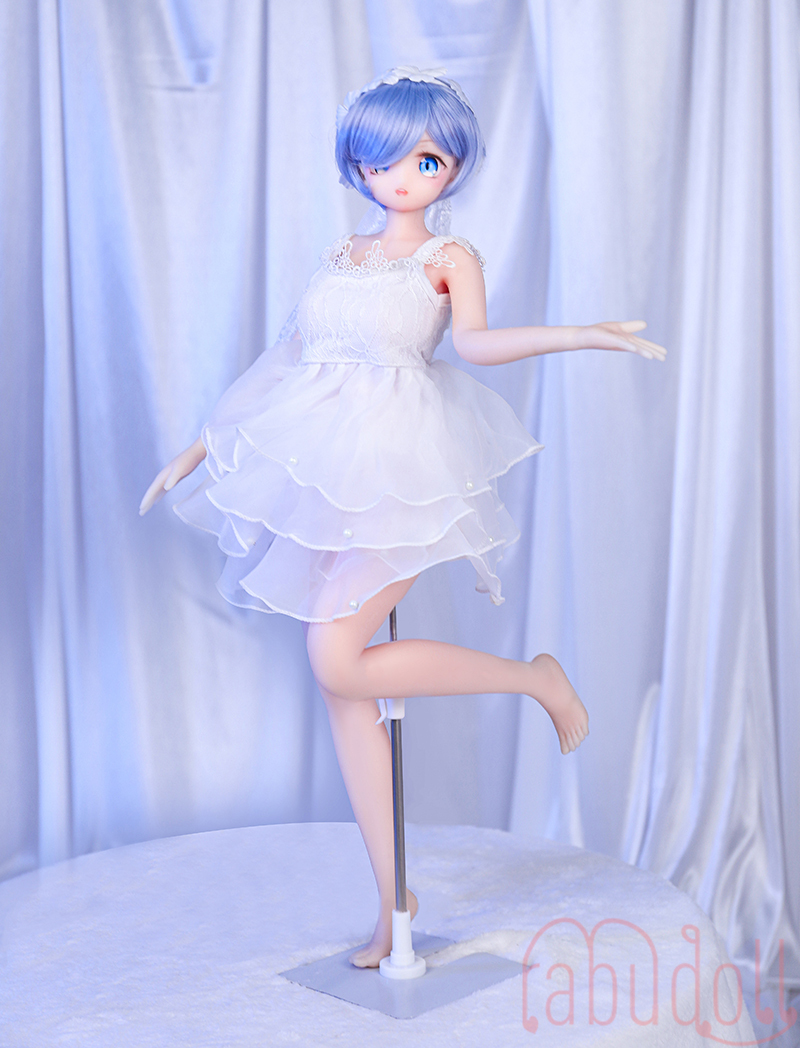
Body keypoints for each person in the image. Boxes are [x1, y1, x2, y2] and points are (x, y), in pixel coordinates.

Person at [140, 66, 666, 967]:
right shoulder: (343, 254)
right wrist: (201, 445)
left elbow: (477, 344)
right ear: (358, 166)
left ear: (452, 167)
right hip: (324, 465)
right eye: (383, 161)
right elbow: (288, 354)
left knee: (336, 657)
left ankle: (535, 679)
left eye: (426, 161)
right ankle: (394, 901)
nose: (403, 178)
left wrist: (578, 335)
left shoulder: (447, 259)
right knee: (344, 687)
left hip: (403, 467)